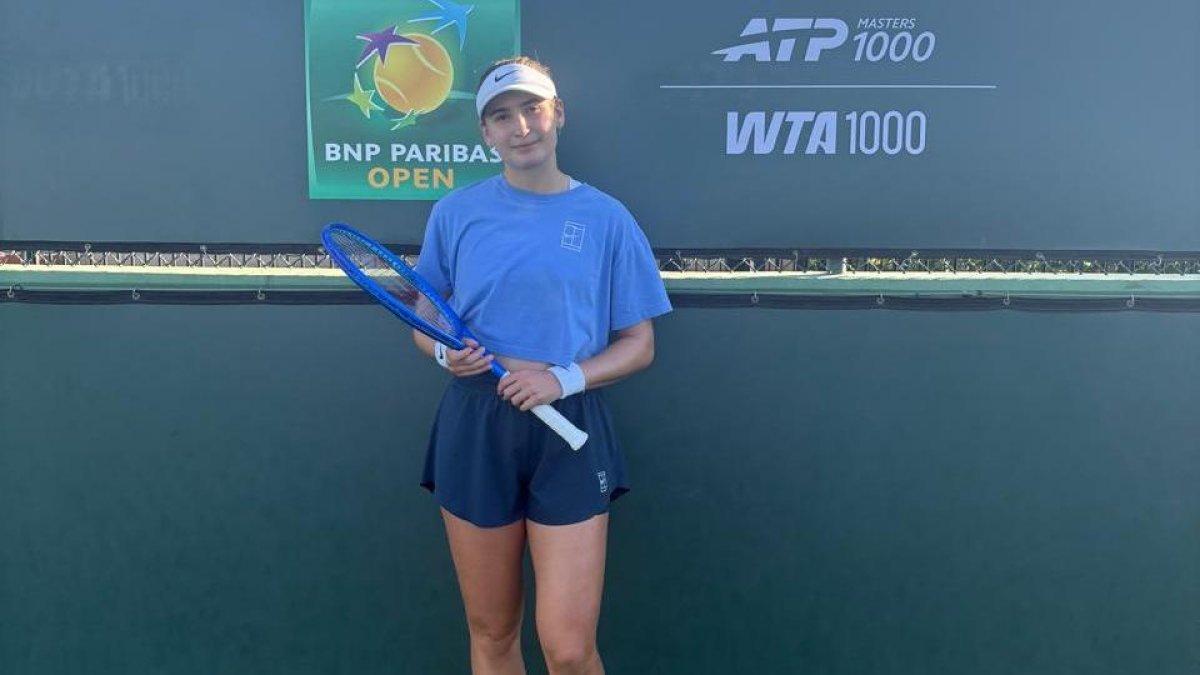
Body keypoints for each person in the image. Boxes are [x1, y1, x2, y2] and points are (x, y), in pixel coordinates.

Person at [411, 56, 672, 675]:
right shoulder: (455, 213)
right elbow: (426, 311)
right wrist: (448, 352)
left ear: (557, 115)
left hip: (572, 431)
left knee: (568, 647)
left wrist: (563, 378)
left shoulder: (608, 217)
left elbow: (640, 343)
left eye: (532, 109)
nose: (520, 126)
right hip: (477, 424)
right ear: (486, 134)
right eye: (501, 116)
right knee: (492, 631)